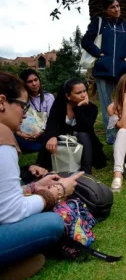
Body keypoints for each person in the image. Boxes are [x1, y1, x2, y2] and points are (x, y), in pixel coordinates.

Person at [0, 72, 82, 279]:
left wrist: (32, 188)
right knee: (52, 223)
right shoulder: (3, 137)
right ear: (2, 102)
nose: (25, 114)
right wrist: (57, 192)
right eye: (23, 106)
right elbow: (11, 212)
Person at [81, 0, 126, 145]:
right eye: (112, 7)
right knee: (108, 105)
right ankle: (111, 136)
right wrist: (99, 54)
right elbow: (86, 41)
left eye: (118, 6)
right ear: (106, 9)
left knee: (124, 103)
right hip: (103, 71)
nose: (116, 9)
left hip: (122, 71)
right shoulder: (98, 23)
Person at [36, 79, 107, 175]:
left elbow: (85, 127)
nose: (83, 95)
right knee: (49, 137)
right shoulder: (59, 105)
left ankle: (87, 170)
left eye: (84, 91)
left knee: (83, 135)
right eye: (78, 93)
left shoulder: (91, 108)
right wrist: (52, 136)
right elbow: (51, 124)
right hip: (62, 138)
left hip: (83, 140)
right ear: (68, 96)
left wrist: (80, 107)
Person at [15, 69, 55, 152]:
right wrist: (20, 134)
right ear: (24, 84)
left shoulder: (48, 97)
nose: (34, 84)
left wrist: (41, 133)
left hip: (43, 133)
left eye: (36, 80)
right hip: (24, 134)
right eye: (30, 82)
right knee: (14, 137)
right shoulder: (20, 99)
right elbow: (15, 119)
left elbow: (52, 119)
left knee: (48, 135)